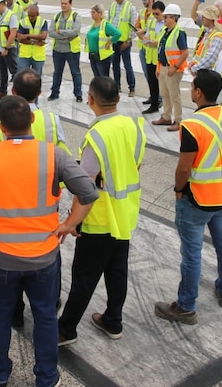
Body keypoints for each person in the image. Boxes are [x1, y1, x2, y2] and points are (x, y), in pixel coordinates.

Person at [0, 95, 99, 387]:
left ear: (1, 127)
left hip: (2, 255)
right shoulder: (53, 155)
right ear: (32, 120)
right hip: (44, 255)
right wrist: (69, 223)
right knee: (44, 317)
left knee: (0, 315)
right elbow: (88, 192)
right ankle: (46, 376)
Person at [59, 77, 146, 344]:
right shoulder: (134, 126)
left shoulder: (95, 136)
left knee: (85, 275)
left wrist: (72, 221)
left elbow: (85, 187)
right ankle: (113, 320)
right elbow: (135, 164)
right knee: (116, 270)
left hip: (99, 218)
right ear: (118, 99)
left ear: (90, 99)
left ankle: (65, 330)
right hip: (125, 213)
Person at [154, 70, 222, 323]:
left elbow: (184, 167)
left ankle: (186, 306)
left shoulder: (192, 125)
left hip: (197, 198)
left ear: (198, 92)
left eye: (192, 88)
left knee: (192, 253)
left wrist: (178, 189)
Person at [0, 69, 71, 329]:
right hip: (46, 198)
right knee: (49, 246)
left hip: (11, 197)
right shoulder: (50, 119)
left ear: (12, 92)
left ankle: (14, 308)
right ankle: (51, 298)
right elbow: (64, 154)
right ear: (40, 93)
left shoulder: (0, 125)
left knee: (11, 251)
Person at [153, 3, 189, 132]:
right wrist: (159, 68)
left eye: (166, 17)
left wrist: (175, 67)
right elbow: (161, 50)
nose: (164, 19)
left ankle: (178, 120)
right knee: (164, 94)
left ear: (174, 18)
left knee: (175, 96)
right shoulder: (164, 31)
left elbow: (185, 52)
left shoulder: (179, 33)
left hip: (173, 69)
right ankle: (166, 116)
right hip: (163, 68)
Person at [48, 0, 83, 102]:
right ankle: (54, 93)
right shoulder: (57, 16)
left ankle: (78, 94)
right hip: (58, 49)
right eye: (62, 3)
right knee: (57, 72)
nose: (63, 5)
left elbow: (75, 31)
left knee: (75, 72)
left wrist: (60, 32)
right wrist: (64, 36)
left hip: (71, 50)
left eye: (65, 4)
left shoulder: (76, 16)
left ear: (71, 4)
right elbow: (51, 32)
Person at [108, 0, 137, 97]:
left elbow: (133, 25)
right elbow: (109, 21)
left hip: (124, 41)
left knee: (127, 65)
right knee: (115, 64)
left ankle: (132, 87)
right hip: (114, 40)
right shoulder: (113, 6)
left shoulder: (130, 8)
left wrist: (129, 40)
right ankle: (117, 85)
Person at [0, 0, 19, 99]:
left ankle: (17, 93)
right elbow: (0, 31)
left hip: (8, 49)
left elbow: (13, 33)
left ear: (1, 4)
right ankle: (2, 91)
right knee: (2, 71)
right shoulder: (0, 16)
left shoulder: (11, 16)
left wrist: (6, 48)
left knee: (14, 72)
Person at [137, 0, 162, 114]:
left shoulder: (166, 24)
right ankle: (154, 104)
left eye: (157, 14)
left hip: (159, 59)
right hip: (150, 57)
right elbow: (146, 37)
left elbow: (163, 40)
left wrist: (154, 42)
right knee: (152, 83)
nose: (155, 16)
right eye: (154, 14)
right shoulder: (152, 22)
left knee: (161, 84)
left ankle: (159, 102)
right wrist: (142, 38)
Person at [86, 4, 120, 78]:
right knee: (97, 77)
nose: (92, 14)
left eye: (94, 12)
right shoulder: (94, 25)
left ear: (100, 13)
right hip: (93, 55)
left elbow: (117, 33)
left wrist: (110, 42)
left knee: (103, 78)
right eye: (91, 12)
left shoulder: (105, 25)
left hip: (102, 56)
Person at [189, 5, 222, 74]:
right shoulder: (208, 33)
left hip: (208, 74)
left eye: (204, 17)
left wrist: (195, 68)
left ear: (210, 19)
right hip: (202, 72)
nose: (202, 18)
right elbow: (199, 52)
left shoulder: (217, 36)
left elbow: (211, 57)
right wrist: (192, 62)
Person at [16, 3, 48, 76]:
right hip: (24, 55)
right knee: (22, 77)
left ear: (37, 14)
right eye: (29, 15)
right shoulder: (23, 22)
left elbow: (43, 36)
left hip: (38, 56)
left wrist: (27, 35)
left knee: (36, 78)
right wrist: (34, 41)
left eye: (32, 16)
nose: (30, 17)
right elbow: (20, 38)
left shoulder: (43, 22)